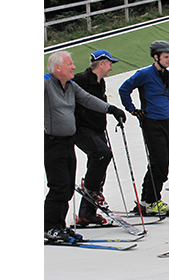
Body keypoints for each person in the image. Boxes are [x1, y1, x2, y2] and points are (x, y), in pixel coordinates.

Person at [44, 51, 126, 241]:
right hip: (51, 143)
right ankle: (49, 226)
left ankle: (59, 225)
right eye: (70, 64)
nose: (74, 67)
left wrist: (111, 109)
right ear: (58, 68)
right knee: (59, 186)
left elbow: (89, 100)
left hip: (67, 142)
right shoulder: (46, 84)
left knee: (66, 188)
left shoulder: (71, 86)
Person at [118, 40, 169, 216]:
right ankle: (152, 200)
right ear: (156, 57)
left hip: (167, 120)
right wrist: (132, 109)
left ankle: (146, 201)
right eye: (166, 57)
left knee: (163, 162)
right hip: (151, 121)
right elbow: (124, 89)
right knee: (158, 161)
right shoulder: (144, 74)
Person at [72, 49, 120, 226]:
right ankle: (90, 188)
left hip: (97, 128)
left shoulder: (101, 82)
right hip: (82, 128)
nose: (111, 68)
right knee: (102, 154)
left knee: (98, 166)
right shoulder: (80, 80)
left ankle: (87, 213)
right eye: (109, 64)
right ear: (101, 63)